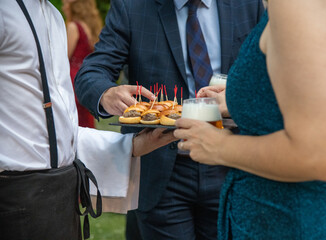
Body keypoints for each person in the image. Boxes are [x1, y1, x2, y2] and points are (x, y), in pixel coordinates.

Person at [74, 0, 264, 239]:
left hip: (231, 163)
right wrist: (106, 93)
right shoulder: (131, 6)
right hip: (161, 167)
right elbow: (92, 71)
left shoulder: (247, 4)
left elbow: (268, 73)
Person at [174, 0, 326, 239]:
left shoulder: (298, 5)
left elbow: (317, 153)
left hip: (299, 221)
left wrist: (219, 147)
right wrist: (244, 98)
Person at [0, 1, 175, 239]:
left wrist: (132, 147)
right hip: (12, 200)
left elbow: (60, 131)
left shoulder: (53, 16)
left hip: (60, 200)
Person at [62, 0, 102, 128]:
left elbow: (64, 56)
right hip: (84, 77)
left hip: (72, 78)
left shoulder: (74, 26)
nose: (63, 8)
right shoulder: (89, 27)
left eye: (65, 4)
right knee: (85, 120)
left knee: (74, 121)